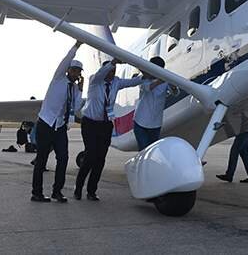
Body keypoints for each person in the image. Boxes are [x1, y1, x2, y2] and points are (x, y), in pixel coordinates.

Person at [74, 58, 146, 201]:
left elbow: (135, 81)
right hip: (90, 124)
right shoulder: (95, 81)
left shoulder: (117, 82)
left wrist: (144, 70)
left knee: (100, 159)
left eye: (114, 71)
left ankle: (91, 191)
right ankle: (78, 188)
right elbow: (102, 72)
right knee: (89, 157)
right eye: (110, 70)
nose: (112, 73)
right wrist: (114, 62)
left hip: (105, 125)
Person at [31, 43, 84, 203]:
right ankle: (36, 193)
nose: (76, 74)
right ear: (68, 70)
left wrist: (80, 89)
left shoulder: (74, 89)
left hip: (60, 126)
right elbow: (66, 60)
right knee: (41, 159)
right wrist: (76, 46)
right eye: (74, 70)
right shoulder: (58, 78)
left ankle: (57, 191)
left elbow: (75, 107)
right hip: (46, 123)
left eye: (78, 72)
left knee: (63, 158)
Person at [133, 57, 169, 151]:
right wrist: (160, 80)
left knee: (153, 150)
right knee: (144, 150)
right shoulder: (144, 79)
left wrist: (172, 85)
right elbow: (147, 88)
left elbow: (175, 92)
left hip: (156, 123)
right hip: (141, 122)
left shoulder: (166, 81)